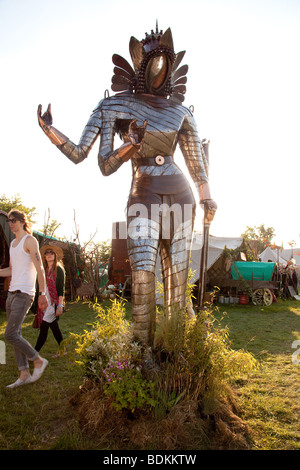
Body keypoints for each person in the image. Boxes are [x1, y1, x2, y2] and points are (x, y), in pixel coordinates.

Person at [38, 25, 217, 348]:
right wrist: (51, 131)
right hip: (143, 196)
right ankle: (141, 353)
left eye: (166, 62)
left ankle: (176, 350)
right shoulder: (113, 107)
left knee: (178, 283)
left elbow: (195, 163)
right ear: (140, 66)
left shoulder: (181, 112)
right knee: (144, 277)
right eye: (153, 62)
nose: (159, 71)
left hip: (181, 196)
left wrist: (207, 196)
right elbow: (96, 160)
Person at [0, 210, 49, 388]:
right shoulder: (13, 243)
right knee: (16, 334)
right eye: (9, 221)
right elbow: (11, 270)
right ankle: (24, 373)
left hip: (25, 293)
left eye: (13, 220)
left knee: (10, 334)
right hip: (12, 294)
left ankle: (38, 360)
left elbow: (40, 268)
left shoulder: (30, 240)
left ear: (22, 222)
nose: (10, 223)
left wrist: (42, 293)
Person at [34, 245, 66, 356]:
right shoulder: (43, 270)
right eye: (46, 253)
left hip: (54, 303)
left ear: (55, 255)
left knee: (44, 327)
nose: (48, 255)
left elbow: (61, 289)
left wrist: (60, 305)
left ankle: (34, 353)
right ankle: (63, 350)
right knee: (54, 327)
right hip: (44, 302)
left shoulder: (59, 270)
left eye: (51, 253)